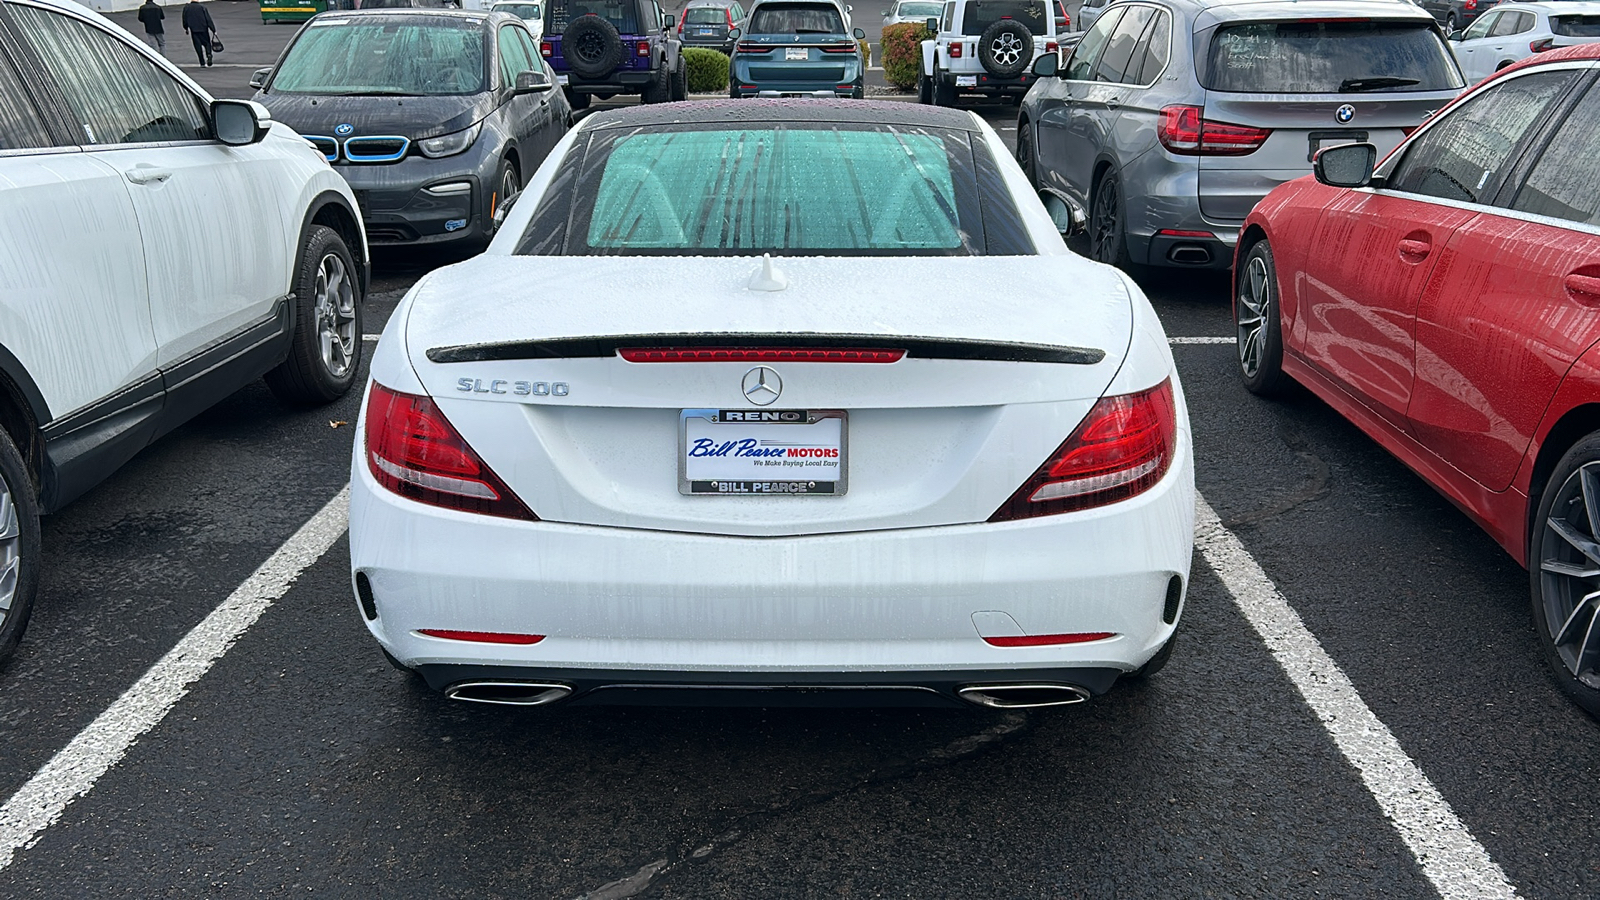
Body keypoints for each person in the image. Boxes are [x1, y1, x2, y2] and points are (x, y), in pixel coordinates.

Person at [181, 0, 215, 68]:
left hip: (194, 30)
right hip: (204, 28)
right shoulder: (202, 7)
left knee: (197, 46)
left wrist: (186, 28)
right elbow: (208, 19)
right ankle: (209, 54)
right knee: (207, 43)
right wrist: (213, 29)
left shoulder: (187, 8)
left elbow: (184, 18)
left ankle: (202, 62)